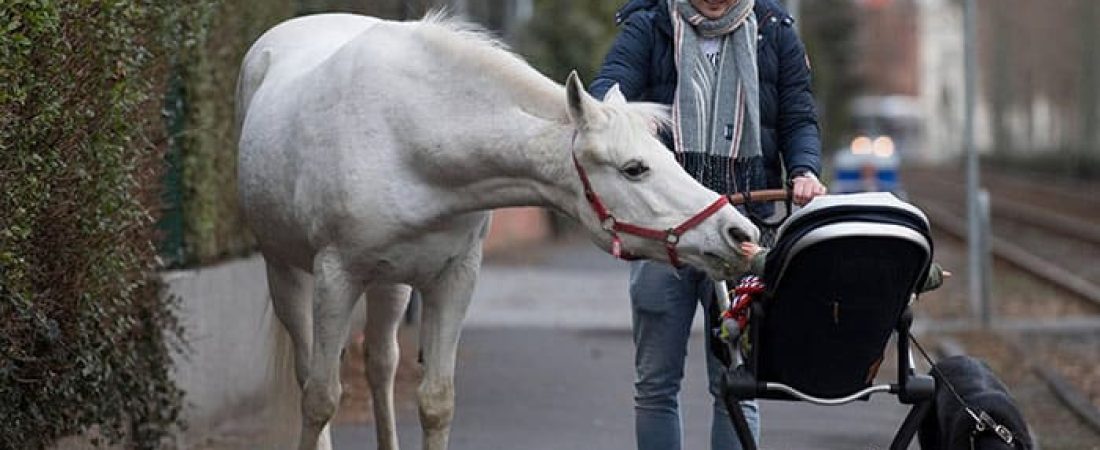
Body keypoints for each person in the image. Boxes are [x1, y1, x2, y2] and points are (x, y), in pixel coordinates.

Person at [589, 0, 827, 449]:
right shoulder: (651, 26)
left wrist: (804, 171)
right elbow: (609, 99)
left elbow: (798, 117)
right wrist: (603, 113)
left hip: (741, 231)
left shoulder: (774, 33)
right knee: (656, 385)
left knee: (736, 387)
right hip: (666, 234)